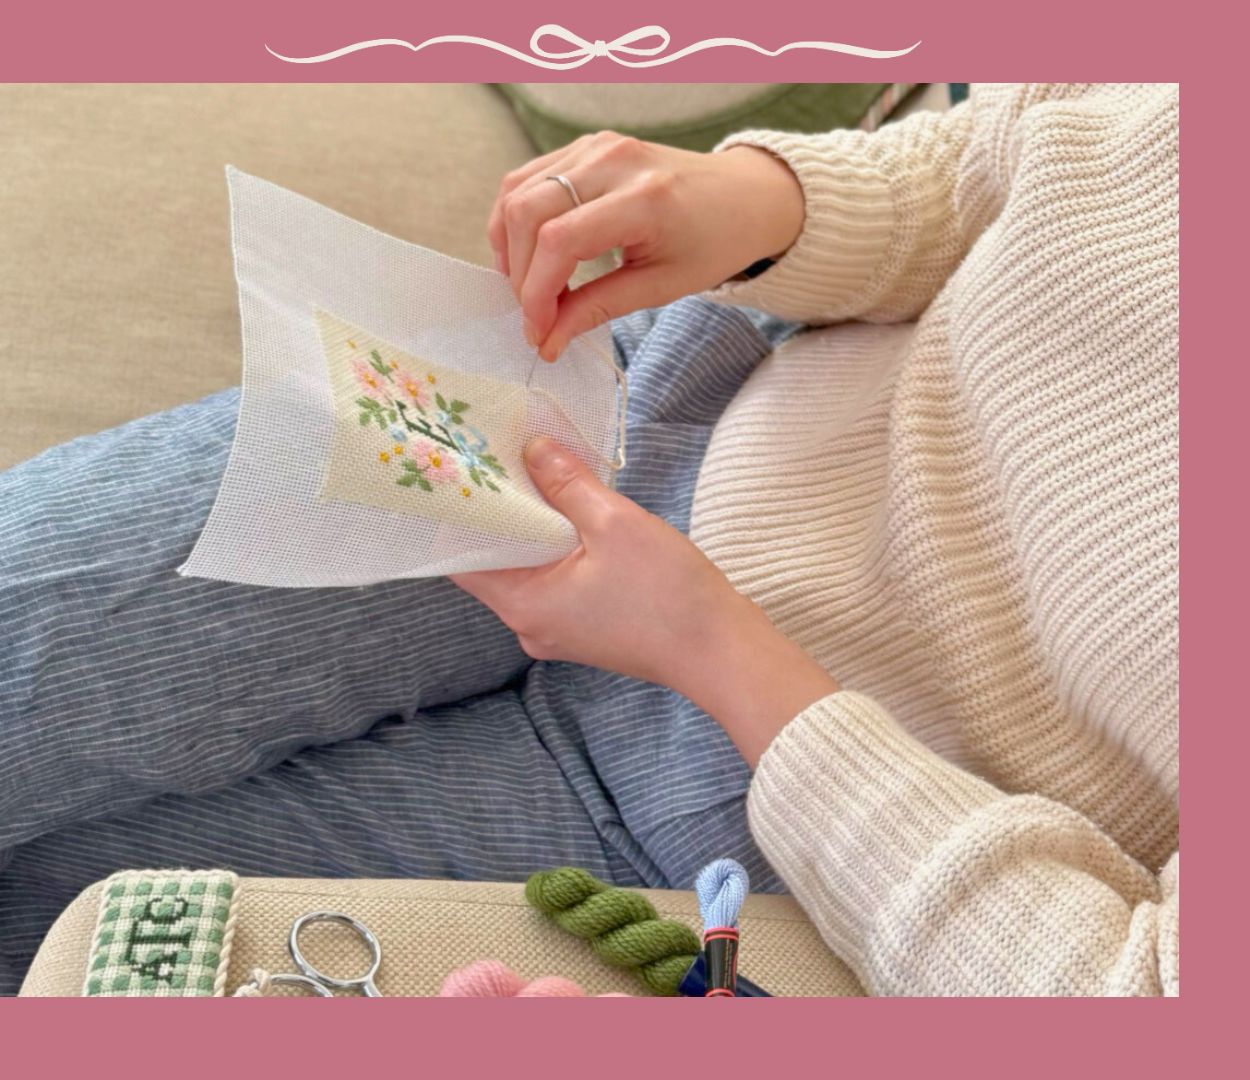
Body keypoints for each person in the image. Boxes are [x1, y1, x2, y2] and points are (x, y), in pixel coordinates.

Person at [0, 83, 1177, 996]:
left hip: (760, 823)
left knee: (61, 949)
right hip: (630, 407)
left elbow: (1134, 998)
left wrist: (714, 648)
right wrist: (772, 206)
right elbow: (1016, 151)